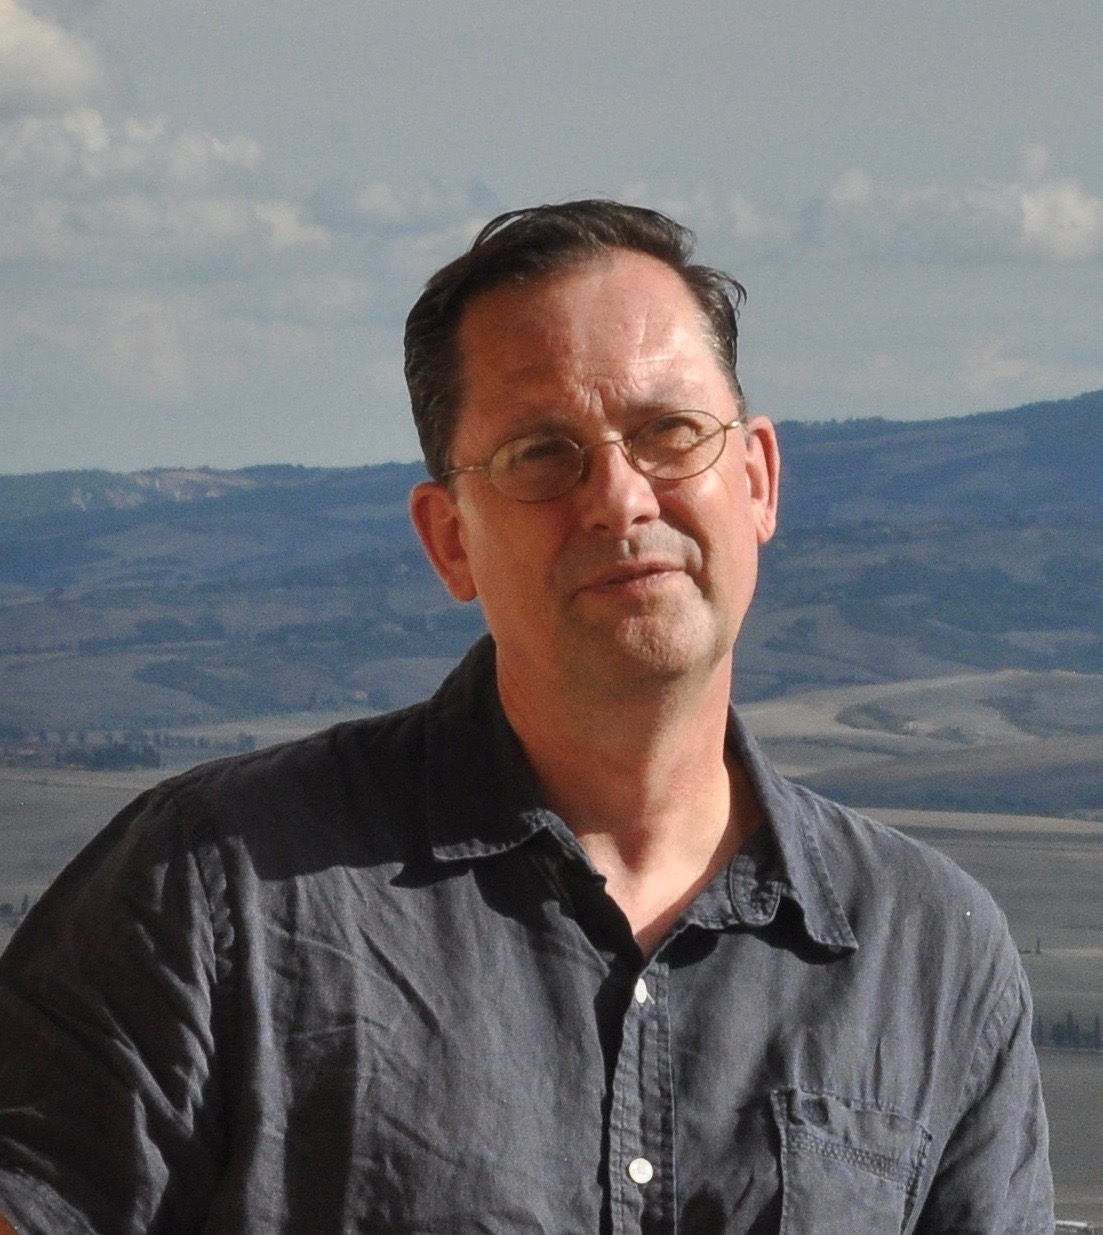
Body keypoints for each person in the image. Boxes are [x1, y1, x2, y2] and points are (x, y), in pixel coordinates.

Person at [0, 200, 1052, 1233]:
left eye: (669, 432)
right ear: (448, 538)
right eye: (543, 453)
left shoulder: (928, 956)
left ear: (757, 480)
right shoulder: (210, 889)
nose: (620, 498)